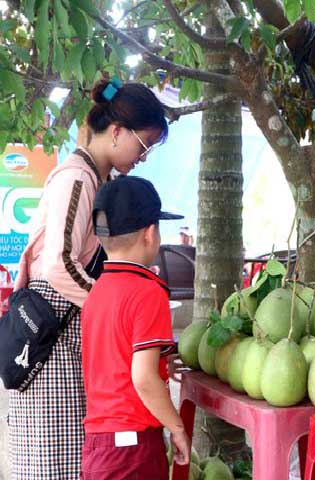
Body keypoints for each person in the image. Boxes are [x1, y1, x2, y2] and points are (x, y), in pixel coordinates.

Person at [9, 78, 168, 479]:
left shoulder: (100, 181)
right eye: (144, 145)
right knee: (55, 462)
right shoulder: (76, 179)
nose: (144, 157)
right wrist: (113, 310)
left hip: (67, 331)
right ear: (117, 132)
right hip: (52, 340)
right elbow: (56, 264)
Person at [81, 175, 189, 479]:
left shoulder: (96, 292)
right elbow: (142, 378)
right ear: (151, 233)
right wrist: (176, 427)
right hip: (134, 451)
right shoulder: (148, 292)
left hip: (98, 446)